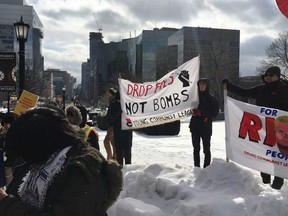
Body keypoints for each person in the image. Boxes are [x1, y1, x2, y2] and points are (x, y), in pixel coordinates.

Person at [0, 107, 123, 215]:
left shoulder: (81, 169)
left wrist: (6, 203)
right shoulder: (40, 161)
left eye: (25, 152)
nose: (25, 159)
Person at [222, 65, 288, 190]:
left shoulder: (285, 89)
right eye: (267, 75)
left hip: (281, 129)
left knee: (277, 155)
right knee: (263, 154)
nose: (268, 77)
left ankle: (278, 183)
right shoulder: (260, 90)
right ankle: (265, 182)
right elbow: (244, 92)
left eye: (271, 75)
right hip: (263, 129)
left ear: (278, 76)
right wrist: (229, 86)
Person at [189, 78, 219, 168]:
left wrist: (202, 113)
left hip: (206, 127)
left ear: (207, 85)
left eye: (204, 84)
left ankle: (207, 168)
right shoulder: (194, 98)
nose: (202, 86)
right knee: (196, 149)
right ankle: (196, 167)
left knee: (206, 149)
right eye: (200, 84)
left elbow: (215, 113)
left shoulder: (212, 99)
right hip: (195, 126)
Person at [106, 91, 133, 165]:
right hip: (119, 132)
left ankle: (127, 171)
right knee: (120, 155)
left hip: (126, 132)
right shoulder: (114, 105)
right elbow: (110, 119)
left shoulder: (129, 104)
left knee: (127, 155)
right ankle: (121, 170)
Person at [0, 113, 16, 187]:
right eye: (4, 124)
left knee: (9, 178)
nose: (6, 126)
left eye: (7, 123)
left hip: (12, 160)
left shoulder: (14, 134)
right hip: (5, 159)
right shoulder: (3, 134)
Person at [104, 87, 117, 160]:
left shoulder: (113, 102)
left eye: (107, 93)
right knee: (113, 143)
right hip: (111, 125)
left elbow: (113, 113)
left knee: (106, 141)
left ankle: (109, 157)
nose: (106, 94)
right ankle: (114, 157)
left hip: (112, 125)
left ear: (111, 93)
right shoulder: (111, 101)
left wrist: (111, 121)